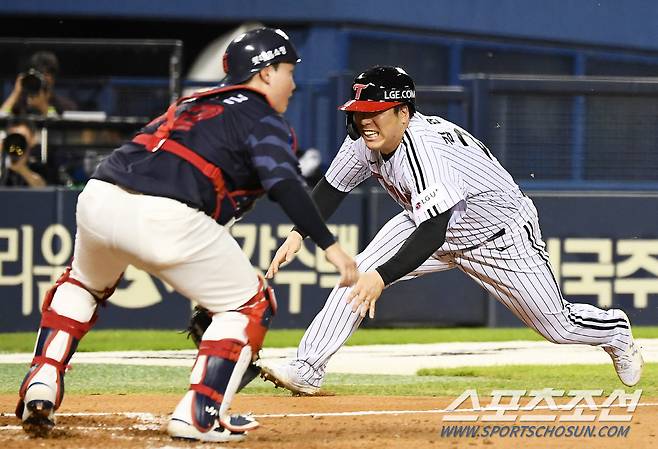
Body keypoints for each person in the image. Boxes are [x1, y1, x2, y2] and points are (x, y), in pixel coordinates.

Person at [15, 28, 358, 443]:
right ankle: (200, 413)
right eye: (287, 70)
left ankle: (42, 381)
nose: (293, 81)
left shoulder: (193, 102)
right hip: (166, 213)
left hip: (100, 196)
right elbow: (285, 183)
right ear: (265, 73)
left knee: (83, 284)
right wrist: (332, 246)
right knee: (249, 304)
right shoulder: (263, 117)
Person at [260, 65, 644, 395]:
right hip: (426, 219)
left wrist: (383, 275)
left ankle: (614, 331)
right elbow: (332, 187)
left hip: (498, 235)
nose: (364, 120)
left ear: (404, 114)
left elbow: (434, 232)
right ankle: (307, 369)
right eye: (360, 111)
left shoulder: (426, 150)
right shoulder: (365, 140)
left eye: (375, 112)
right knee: (355, 277)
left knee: (557, 326)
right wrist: (299, 232)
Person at [1, 51, 77, 116]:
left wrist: (43, 107)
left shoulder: (66, 106)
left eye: (45, 74)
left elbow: (61, 131)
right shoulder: (19, 105)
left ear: (53, 78)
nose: (41, 79)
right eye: (38, 74)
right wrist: (15, 93)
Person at [1, 117, 47, 187]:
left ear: (32, 140)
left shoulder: (41, 168)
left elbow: (45, 191)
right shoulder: (3, 164)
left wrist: (21, 168)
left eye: (22, 137)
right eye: (13, 137)